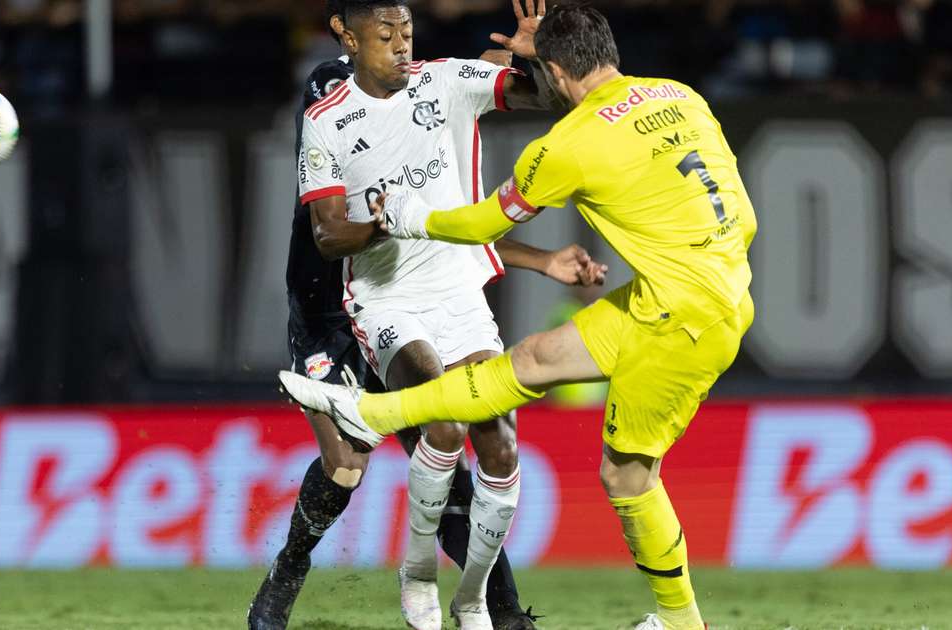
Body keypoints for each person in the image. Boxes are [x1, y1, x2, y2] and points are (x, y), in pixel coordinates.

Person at [279, 4, 757, 629]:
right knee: (526, 363)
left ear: (554, 70)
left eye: (406, 33)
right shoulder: (680, 95)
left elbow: (479, 223)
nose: (401, 45)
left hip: (680, 319)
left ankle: (681, 623)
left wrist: (402, 216)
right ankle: (381, 452)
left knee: (628, 476)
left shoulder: (564, 143)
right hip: (698, 288)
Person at [250, 1, 606, 629]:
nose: (399, 45)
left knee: (455, 442)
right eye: (384, 35)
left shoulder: (435, 83)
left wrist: (531, 59)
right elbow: (334, 232)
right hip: (330, 309)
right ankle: (288, 573)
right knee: (345, 467)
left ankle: (497, 611)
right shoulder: (326, 104)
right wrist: (383, 223)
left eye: (405, 33)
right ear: (348, 36)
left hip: (430, 298)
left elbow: (453, 220)